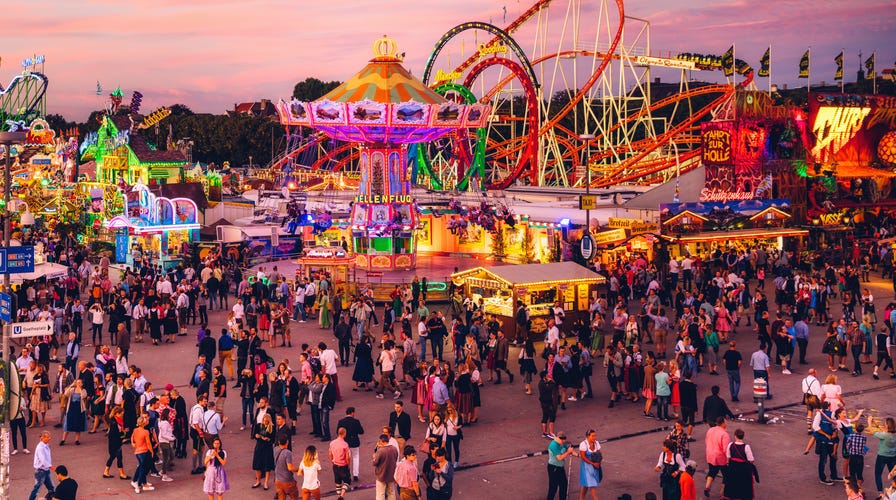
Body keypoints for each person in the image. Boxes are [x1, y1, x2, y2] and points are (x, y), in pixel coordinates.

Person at [724, 428, 759, 499]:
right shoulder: (746, 447)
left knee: (733, 484)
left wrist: (728, 464)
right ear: (743, 436)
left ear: (735, 436)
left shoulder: (730, 445)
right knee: (744, 485)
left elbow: (728, 456)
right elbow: (751, 460)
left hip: (733, 468)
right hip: (743, 470)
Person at [704, 416, 731, 498]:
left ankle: (707, 487)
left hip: (710, 454)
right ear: (722, 423)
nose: (726, 424)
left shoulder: (710, 430)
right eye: (725, 422)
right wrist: (728, 459)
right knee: (726, 475)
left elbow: (706, 441)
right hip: (720, 457)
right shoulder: (724, 434)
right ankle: (722, 492)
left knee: (712, 472)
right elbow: (726, 449)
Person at [337, 407, 365, 481]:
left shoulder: (341, 422)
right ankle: (355, 474)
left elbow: (338, 432)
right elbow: (361, 431)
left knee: (346, 459)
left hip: (345, 443)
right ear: (352, 413)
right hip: (354, 442)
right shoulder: (356, 421)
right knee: (355, 457)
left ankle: (347, 474)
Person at [871, 416, 896, 498]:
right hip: (892, 456)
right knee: (893, 474)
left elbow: (872, 432)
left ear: (887, 425)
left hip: (882, 456)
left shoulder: (884, 435)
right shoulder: (893, 434)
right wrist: (875, 423)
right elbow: (884, 431)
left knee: (878, 474)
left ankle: (880, 493)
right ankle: (894, 489)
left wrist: (869, 422)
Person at [130, 415, 155, 493]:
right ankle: (139, 485)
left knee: (141, 466)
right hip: (144, 451)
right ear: (144, 423)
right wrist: (152, 451)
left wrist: (133, 443)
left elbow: (132, 438)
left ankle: (141, 482)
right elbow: (148, 443)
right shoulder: (145, 432)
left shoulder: (135, 430)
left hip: (138, 451)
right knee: (142, 468)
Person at [547, 431, 574, 500]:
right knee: (553, 488)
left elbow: (568, 448)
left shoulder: (562, 443)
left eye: (564, 440)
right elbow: (560, 457)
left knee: (564, 485)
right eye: (561, 440)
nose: (563, 442)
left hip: (560, 468)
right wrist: (568, 452)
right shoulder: (553, 445)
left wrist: (578, 455)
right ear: (557, 438)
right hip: (553, 468)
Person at [29, 431, 56, 500]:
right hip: (41, 471)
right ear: (42, 438)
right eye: (47, 437)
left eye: (49, 437)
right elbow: (43, 460)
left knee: (51, 488)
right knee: (37, 489)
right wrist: (51, 466)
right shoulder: (40, 447)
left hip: (46, 470)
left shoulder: (45, 445)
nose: (49, 438)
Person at [253, 412, 276, 490]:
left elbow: (273, 439)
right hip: (259, 447)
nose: (265, 422)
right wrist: (257, 436)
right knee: (257, 465)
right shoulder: (259, 426)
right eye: (264, 420)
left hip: (267, 448)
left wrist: (268, 439)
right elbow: (254, 435)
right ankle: (258, 481)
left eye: (266, 421)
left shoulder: (272, 428)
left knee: (267, 465)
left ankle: (266, 482)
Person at [373, 433, 399, 500]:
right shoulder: (394, 449)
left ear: (381, 441)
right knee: (391, 492)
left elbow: (375, 463)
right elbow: (396, 458)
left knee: (380, 493)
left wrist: (374, 456)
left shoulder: (380, 451)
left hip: (381, 474)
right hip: (391, 474)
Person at [578, 429, 602, 500]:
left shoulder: (596, 443)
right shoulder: (583, 444)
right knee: (592, 485)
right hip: (586, 468)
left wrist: (598, 463)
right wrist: (592, 463)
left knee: (586, 485)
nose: (594, 437)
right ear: (588, 436)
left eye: (595, 435)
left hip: (595, 467)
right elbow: (583, 457)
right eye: (593, 436)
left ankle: (581, 499)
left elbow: (599, 454)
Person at [329, 427, 352, 499]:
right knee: (347, 482)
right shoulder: (345, 445)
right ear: (344, 433)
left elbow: (330, 454)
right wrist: (348, 465)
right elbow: (347, 457)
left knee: (338, 482)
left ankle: (339, 496)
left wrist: (332, 461)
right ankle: (341, 496)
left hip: (335, 465)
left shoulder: (332, 443)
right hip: (343, 465)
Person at [274, 436, 300, 500]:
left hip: (278, 480)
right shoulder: (288, 453)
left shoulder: (275, 449)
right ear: (287, 442)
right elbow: (290, 468)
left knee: (281, 497)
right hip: (287, 480)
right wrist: (299, 469)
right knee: (294, 496)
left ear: (279, 442)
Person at [802, 368, 824, 434]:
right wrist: (820, 400)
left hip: (806, 396)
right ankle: (818, 426)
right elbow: (818, 392)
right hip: (814, 397)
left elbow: (803, 389)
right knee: (819, 411)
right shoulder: (816, 381)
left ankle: (809, 428)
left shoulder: (804, 380)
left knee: (809, 412)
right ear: (814, 373)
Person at [539, 370, 560, 438]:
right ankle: (551, 432)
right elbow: (551, 387)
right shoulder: (543, 384)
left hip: (543, 402)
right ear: (544, 376)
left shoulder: (541, 383)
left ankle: (544, 432)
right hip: (547, 402)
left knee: (545, 416)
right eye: (547, 375)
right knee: (552, 416)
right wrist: (551, 381)